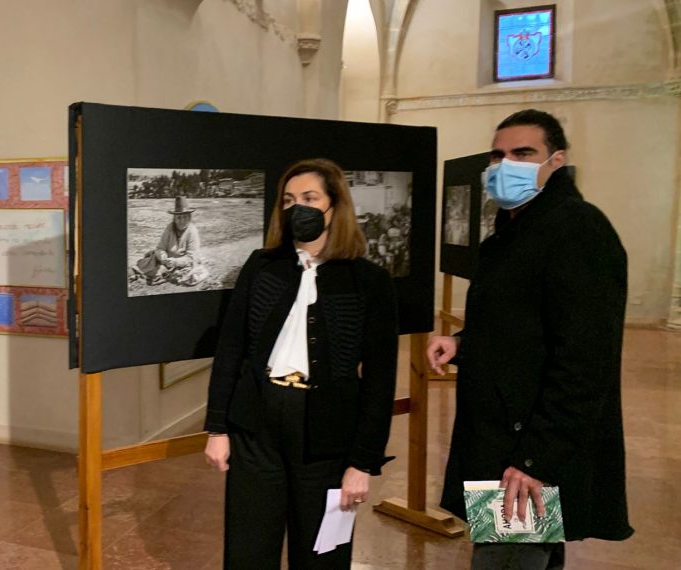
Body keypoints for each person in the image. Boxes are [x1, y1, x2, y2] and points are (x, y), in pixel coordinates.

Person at [428, 109, 631, 569]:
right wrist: (463, 343)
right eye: (498, 155)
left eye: (523, 153)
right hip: (503, 439)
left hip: (525, 453)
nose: (506, 165)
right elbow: (519, 323)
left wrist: (537, 460)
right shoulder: (516, 230)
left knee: (507, 558)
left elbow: (585, 358)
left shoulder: (577, 229)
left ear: (555, 161)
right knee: (527, 556)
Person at [203, 159, 399, 568]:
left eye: (310, 198)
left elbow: (380, 380)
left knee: (322, 555)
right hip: (256, 426)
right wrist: (218, 428)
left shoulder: (368, 281)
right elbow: (231, 350)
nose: (298, 209)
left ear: (334, 206)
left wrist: (362, 462)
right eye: (290, 200)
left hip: (327, 434)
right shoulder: (261, 266)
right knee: (248, 550)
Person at [131, 196, 208, 286]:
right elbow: (160, 248)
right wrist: (163, 257)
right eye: (179, 217)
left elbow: (191, 257)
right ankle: (157, 272)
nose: (182, 220)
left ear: (189, 217)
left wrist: (176, 262)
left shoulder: (192, 231)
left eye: (185, 217)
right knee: (150, 259)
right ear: (174, 218)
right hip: (167, 261)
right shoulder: (170, 227)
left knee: (189, 274)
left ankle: (163, 274)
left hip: (183, 263)